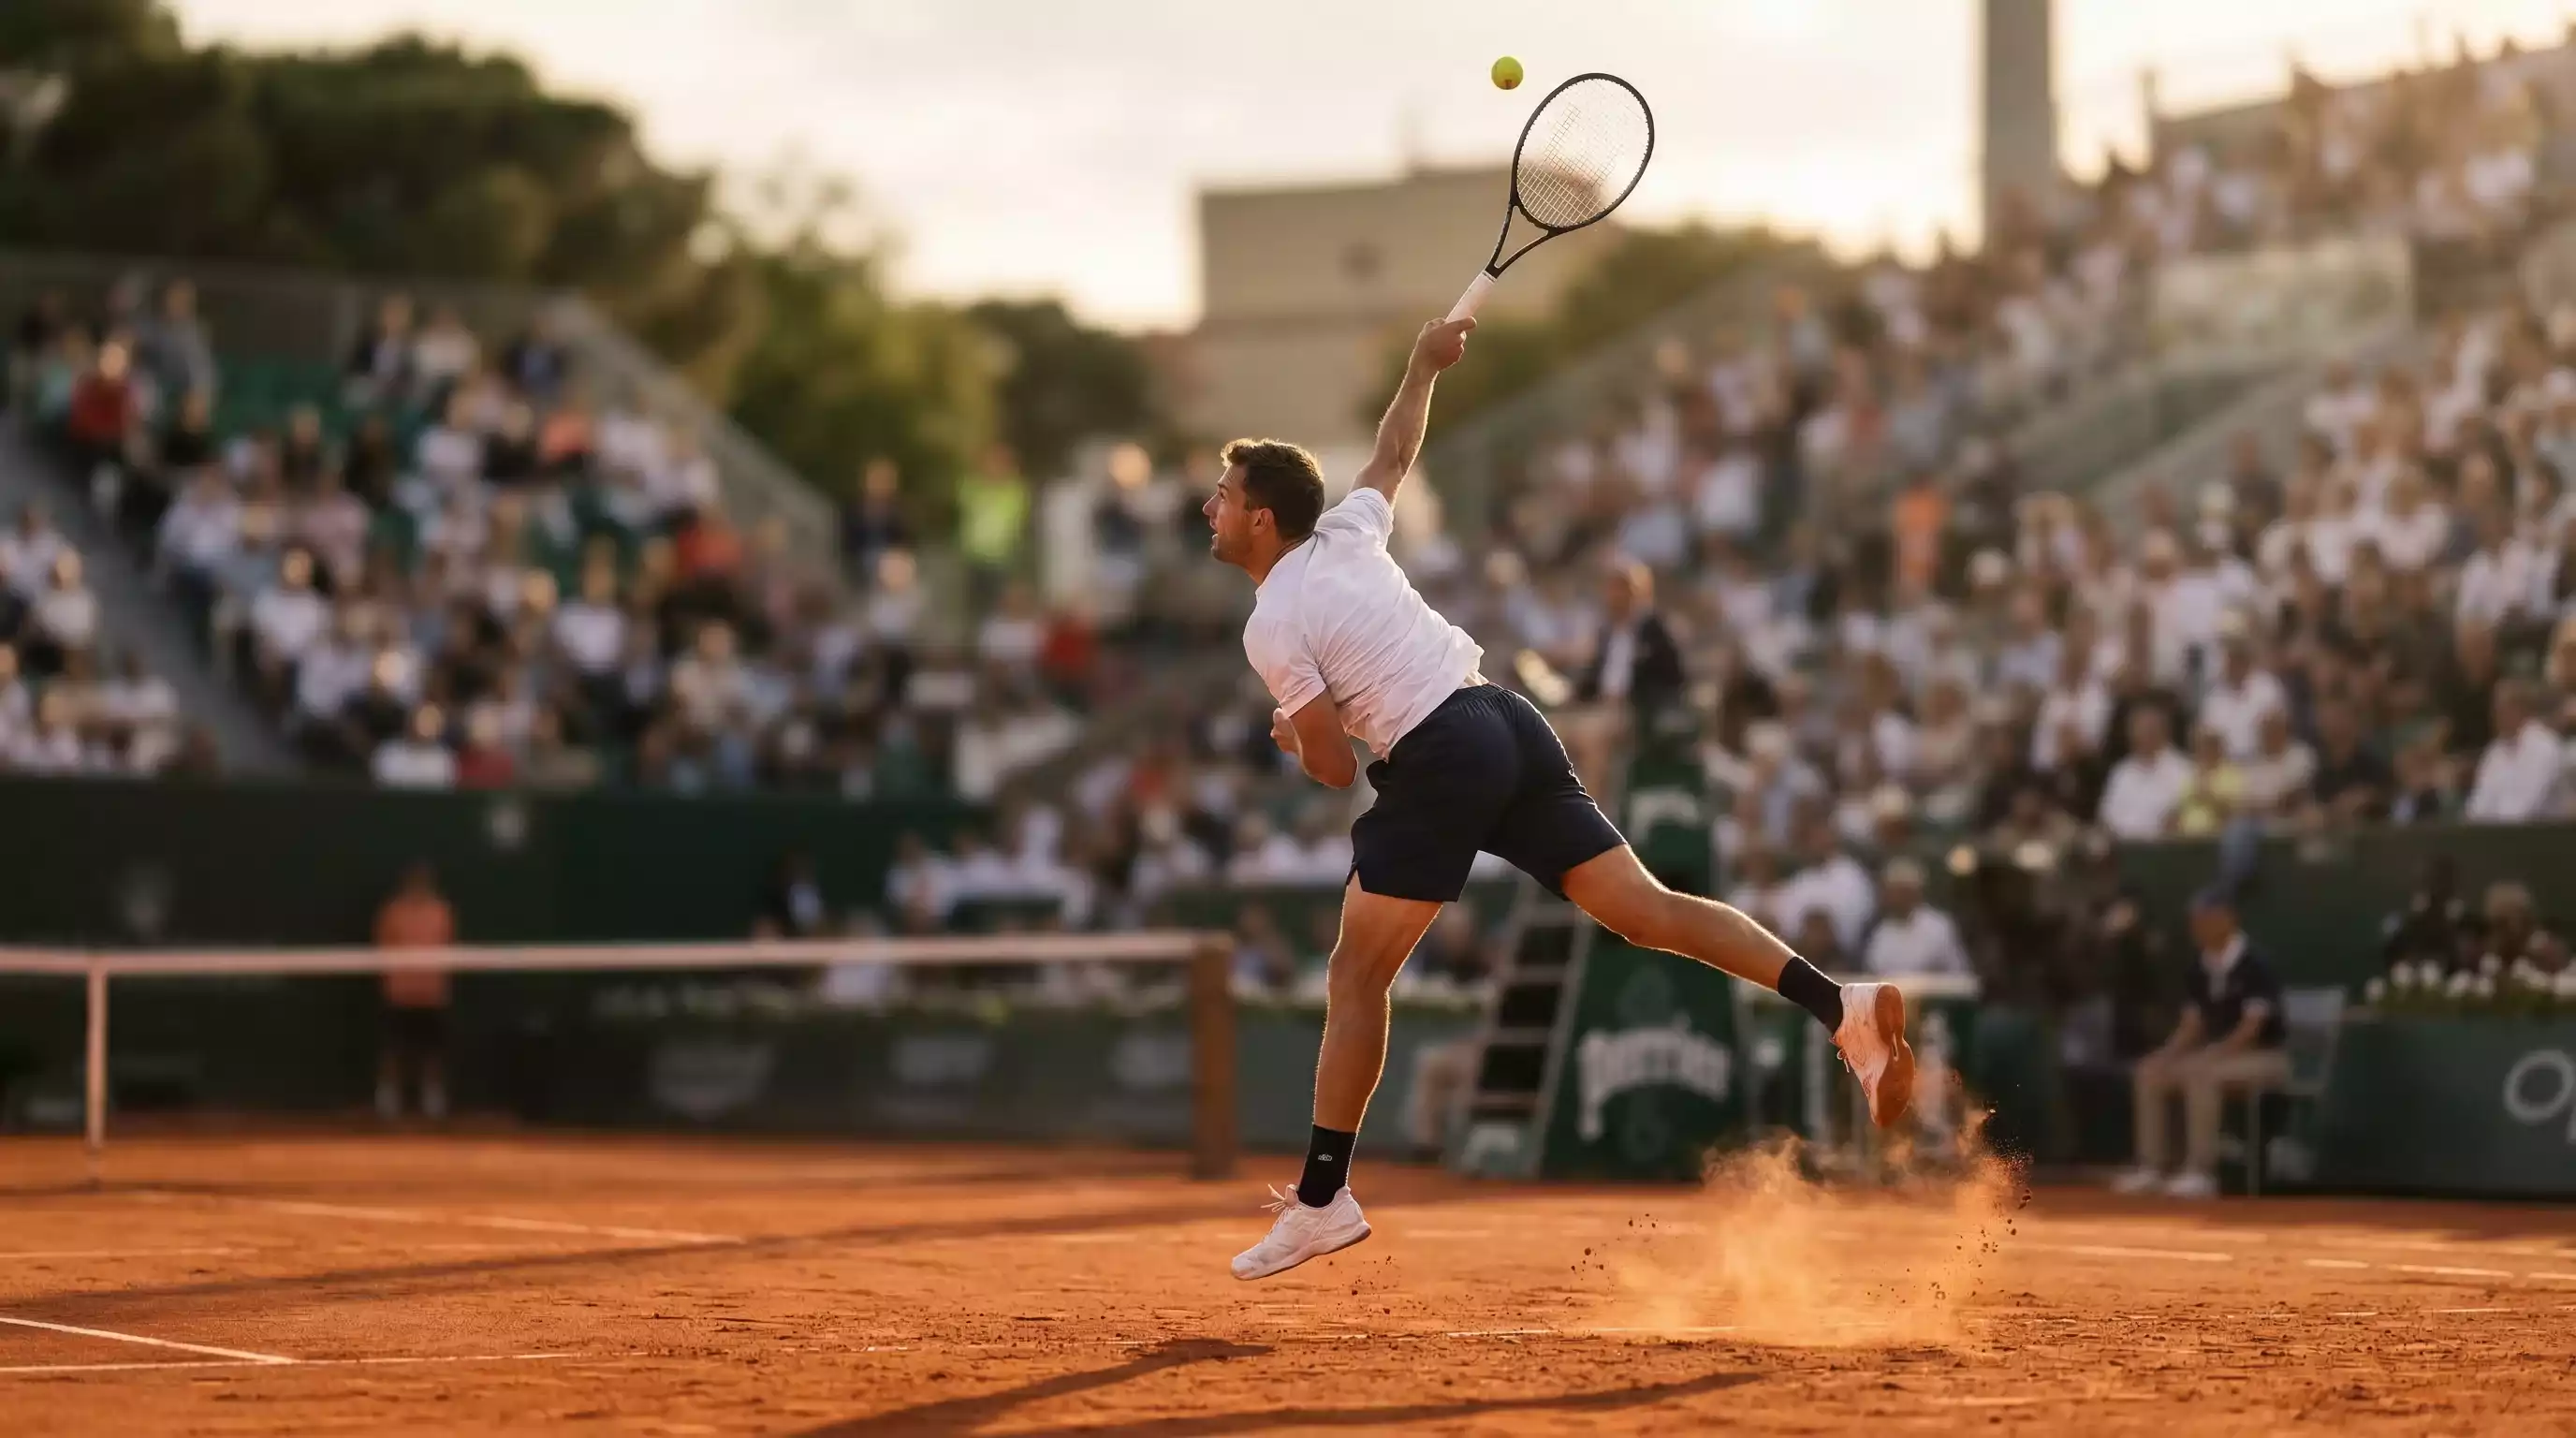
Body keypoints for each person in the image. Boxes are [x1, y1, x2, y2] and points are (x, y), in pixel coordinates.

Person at [1204, 315, 1912, 1281]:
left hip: (1439, 751)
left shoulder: (1273, 618)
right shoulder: (1346, 532)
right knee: (1646, 911)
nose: (1208, 506)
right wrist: (1420, 365)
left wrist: (1293, 736)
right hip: (1504, 717)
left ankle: (1323, 1200)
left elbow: (1331, 768)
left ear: (1259, 519)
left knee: (1353, 975)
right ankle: (1842, 1006)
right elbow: (1395, 449)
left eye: (1223, 494)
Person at [2113, 890, 2288, 1200]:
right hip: (2217, 1058)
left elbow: (2252, 1027)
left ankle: (2200, 1172)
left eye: (2206, 920)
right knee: (2150, 1073)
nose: (2198, 928)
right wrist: (2165, 1056)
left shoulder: (2255, 964)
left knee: (2199, 1073)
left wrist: (2213, 1055)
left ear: (2228, 919)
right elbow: (2192, 1025)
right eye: (2195, 921)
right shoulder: (2199, 967)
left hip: (2265, 1059)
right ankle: (2152, 1168)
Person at [374, 862, 457, 1122]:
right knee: (393, 1050)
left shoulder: (441, 912)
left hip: (432, 995)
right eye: (414, 882)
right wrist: (393, 983)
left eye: (423, 882)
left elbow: (448, 947)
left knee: (433, 1052)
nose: (418, 887)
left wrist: (438, 984)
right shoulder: (392, 912)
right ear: (406, 884)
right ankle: (389, 1099)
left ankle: (433, 1100)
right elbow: (382, 949)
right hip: (398, 996)